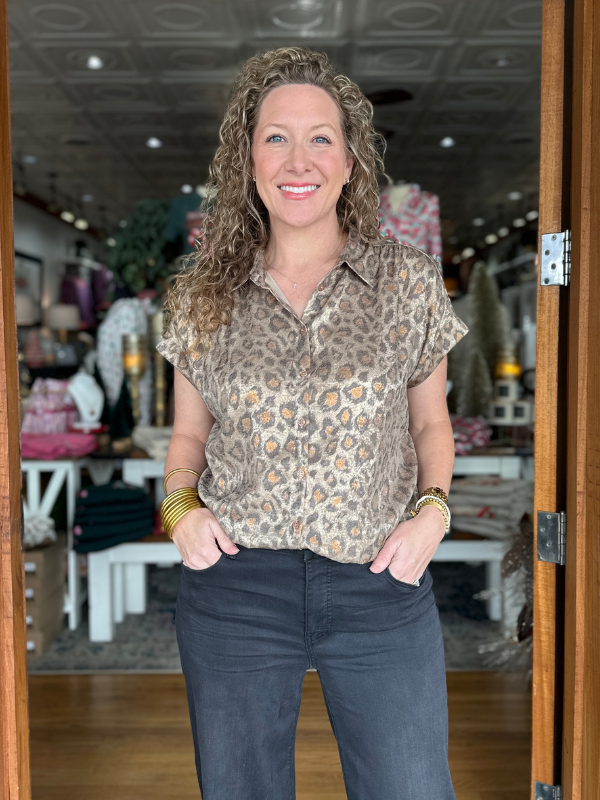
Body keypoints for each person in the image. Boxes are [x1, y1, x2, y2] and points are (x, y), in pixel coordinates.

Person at [157, 46, 469, 800]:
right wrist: (180, 514)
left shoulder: (406, 281)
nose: (299, 159)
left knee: (411, 789)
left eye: (321, 136)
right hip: (236, 588)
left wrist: (433, 514)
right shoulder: (203, 293)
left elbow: (430, 426)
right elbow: (188, 440)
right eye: (276, 136)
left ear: (351, 159)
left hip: (378, 582)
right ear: (249, 161)